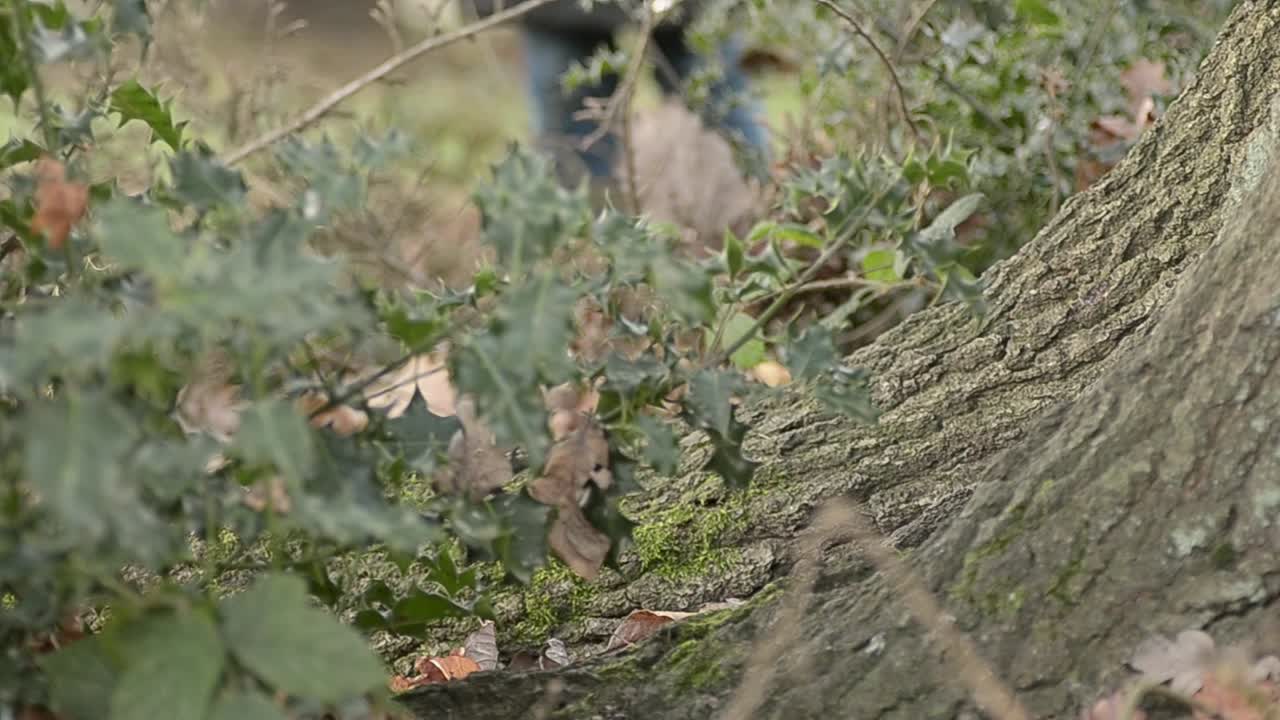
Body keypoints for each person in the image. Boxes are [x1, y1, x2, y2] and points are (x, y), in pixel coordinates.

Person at [468, 0, 770, 185]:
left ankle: (757, 234)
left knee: (718, 109)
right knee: (573, 136)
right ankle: (588, 251)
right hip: (557, 13)